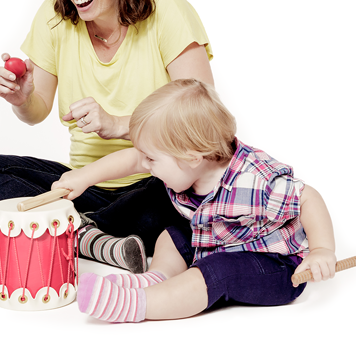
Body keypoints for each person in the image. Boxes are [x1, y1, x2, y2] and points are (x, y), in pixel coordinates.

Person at [0, 0, 214, 273]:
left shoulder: (167, 8)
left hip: (155, 180)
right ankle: (96, 236)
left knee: (176, 198)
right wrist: (22, 99)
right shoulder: (54, 16)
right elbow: (36, 111)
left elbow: (202, 114)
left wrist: (119, 124)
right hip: (82, 185)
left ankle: (70, 232)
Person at [53, 79, 336, 322]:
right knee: (173, 234)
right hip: (217, 243)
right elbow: (133, 159)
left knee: (216, 273)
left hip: (275, 266)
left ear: (191, 157)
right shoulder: (190, 163)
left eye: (153, 159)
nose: (146, 165)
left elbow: (307, 197)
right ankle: (156, 278)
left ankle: (137, 304)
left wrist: (322, 250)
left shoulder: (256, 181)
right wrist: (84, 176)